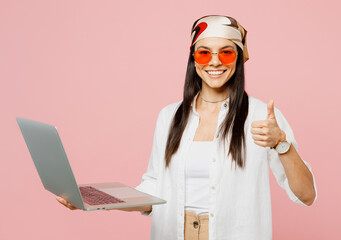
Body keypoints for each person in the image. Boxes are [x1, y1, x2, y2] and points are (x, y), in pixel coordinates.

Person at [57, 15, 317, 240]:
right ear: (193, 59)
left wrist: (281, 144)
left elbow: (306, 195)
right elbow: (154, 190)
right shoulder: (170, 117)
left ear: (239, 58)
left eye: (226, 52)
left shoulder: (262, 116)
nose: (214, 62)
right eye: (204, 52)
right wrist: (97, 199)